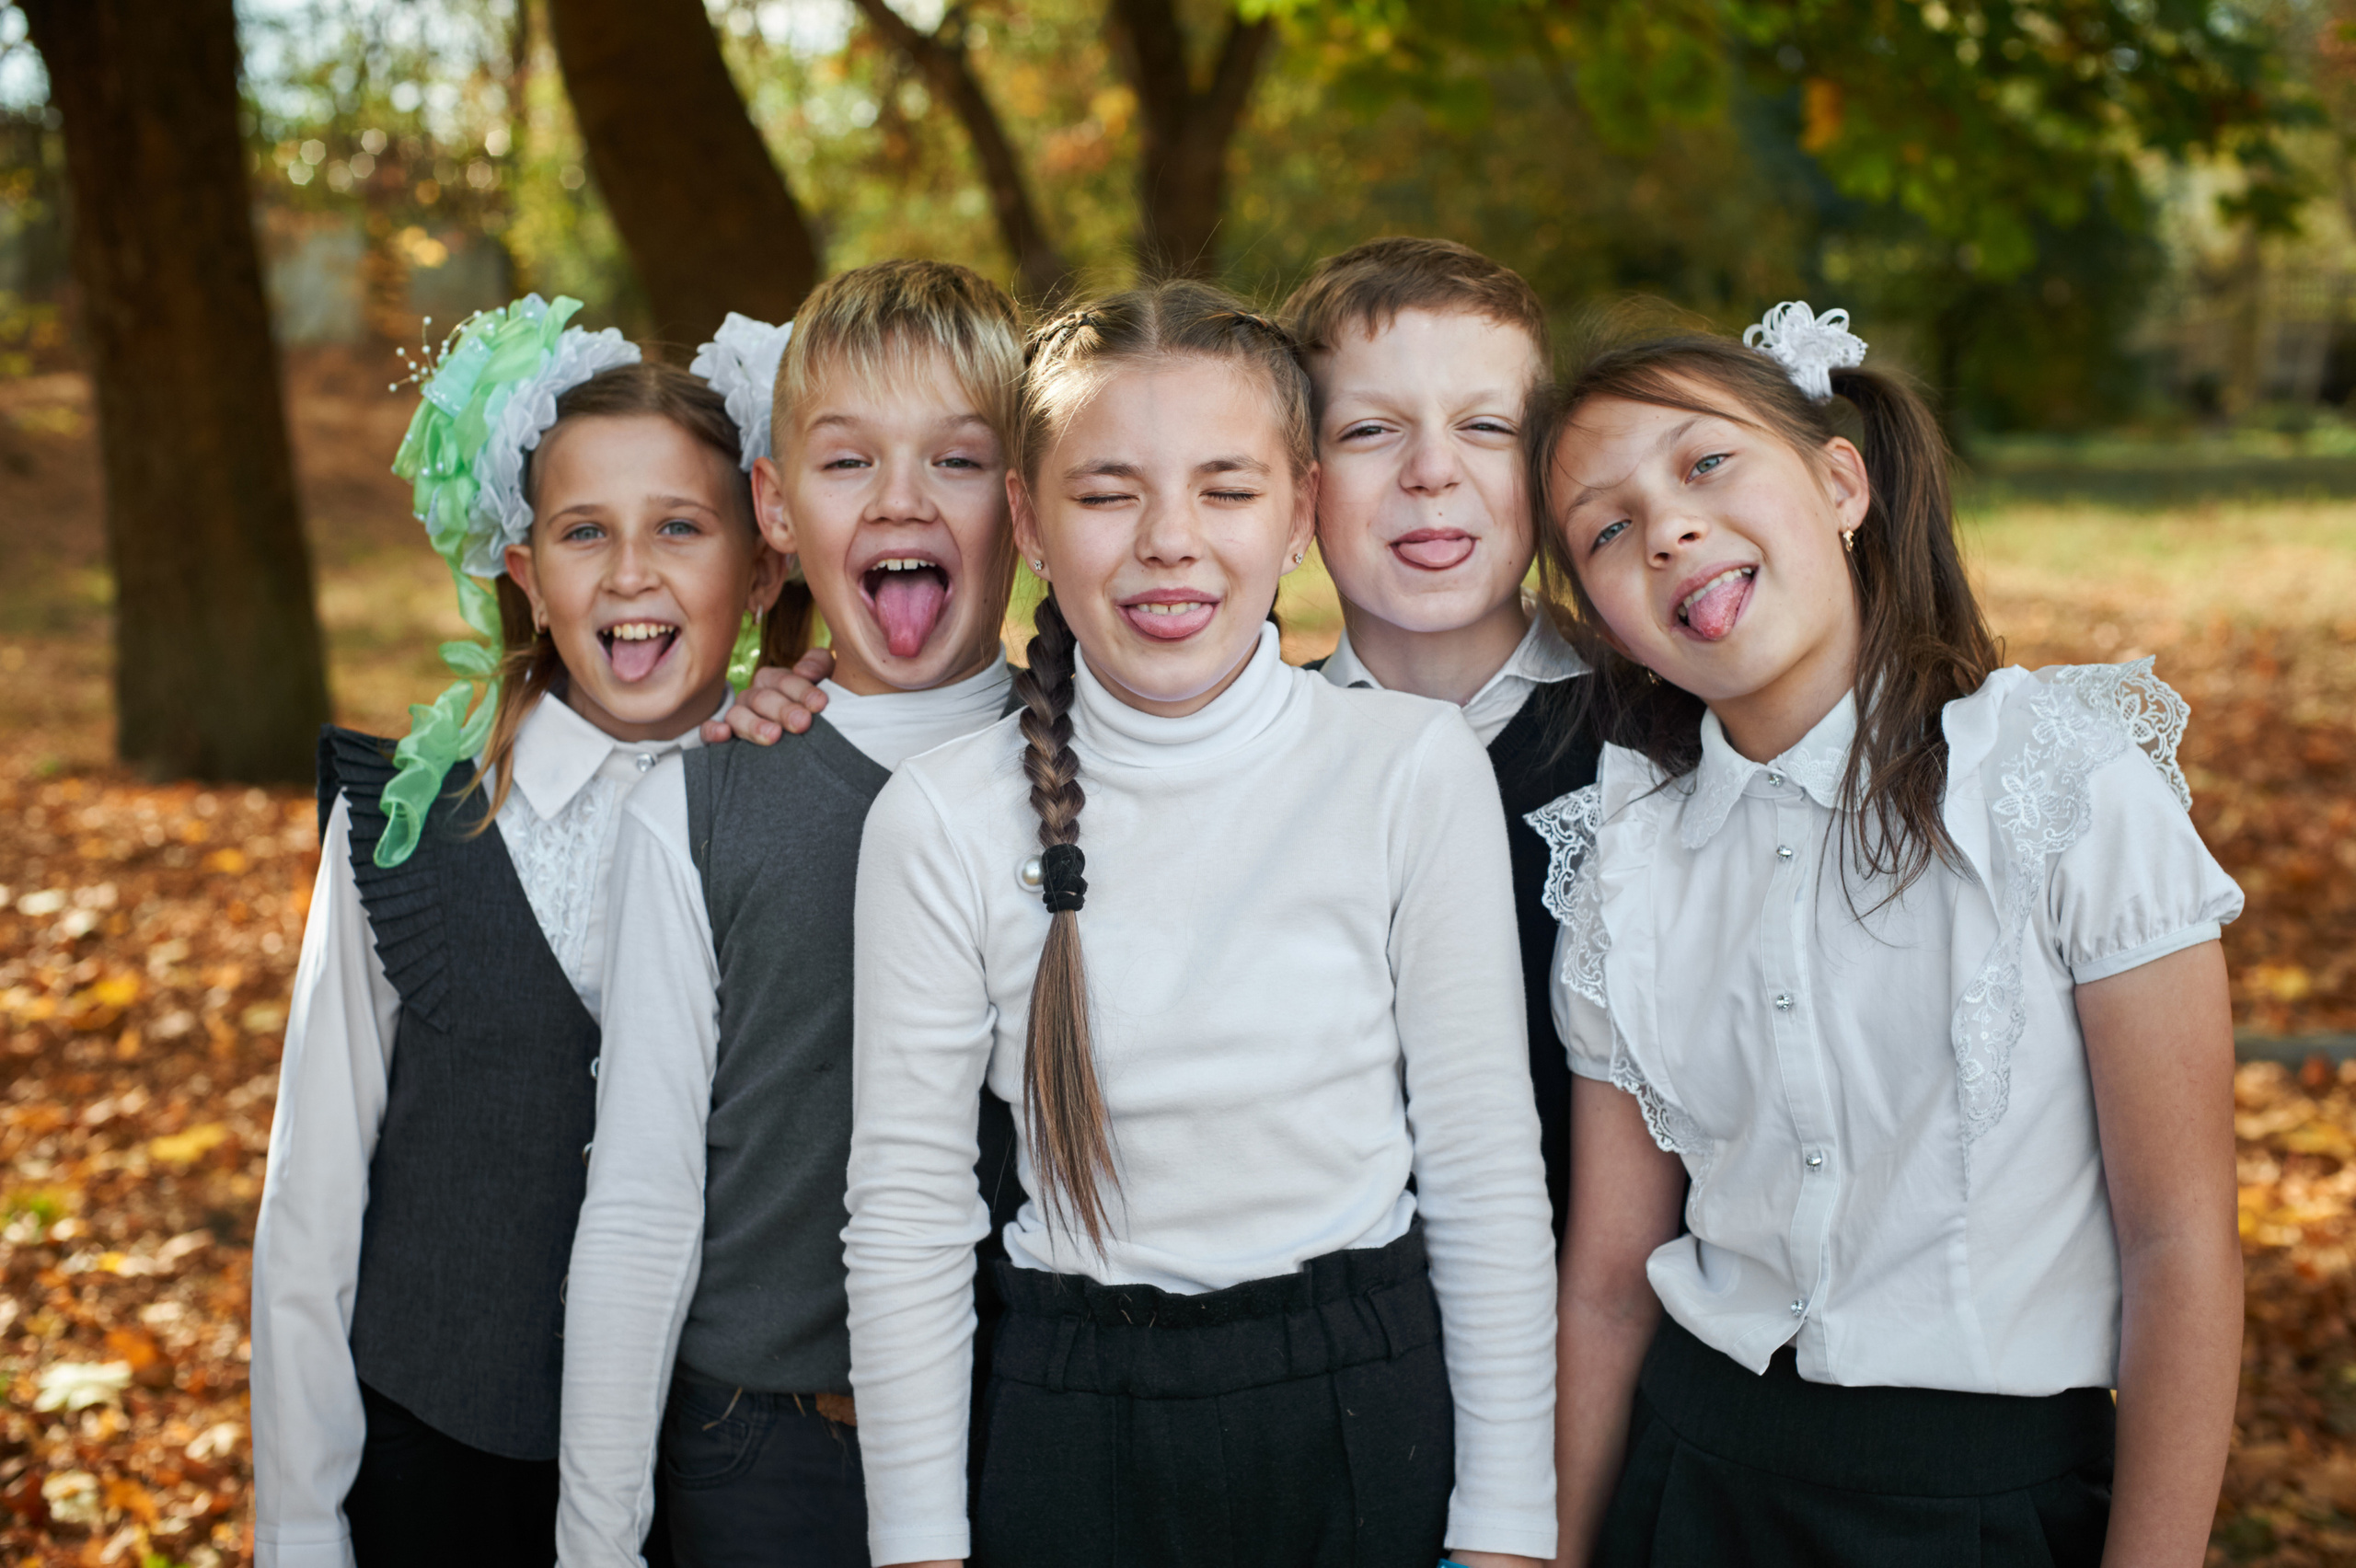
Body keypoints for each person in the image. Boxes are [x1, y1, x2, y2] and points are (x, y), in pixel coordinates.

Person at [841, 280, 1558, 1568]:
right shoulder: (940, 821)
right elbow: (905, 1211)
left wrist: (1506, 1525)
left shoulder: (1409, 769)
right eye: (1109, 493)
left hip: (1365, 1407)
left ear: (1298, 513)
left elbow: (1483, 1165)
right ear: (1030, 523)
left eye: (1226, 491)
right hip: (1069, 1420)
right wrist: (918, 1547)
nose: (1170, 540)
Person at [1530, 304, 2245, 1567]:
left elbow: (2179, 1243)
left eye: (1705, 463)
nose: (1669, 528)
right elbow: (1603, 1281)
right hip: (1686, 1495)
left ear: (1840, 481)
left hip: (1986, 1508)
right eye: (1606, 527)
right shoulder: (1627, 864)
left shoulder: (2060, 785)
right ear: (1597, 606)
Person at [251, 295, 789, 1568]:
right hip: (436, 1471)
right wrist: (300, 1532)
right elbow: (307, 1215)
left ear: (763, 562)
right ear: (522, 567)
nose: (631, 573)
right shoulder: (407, 830)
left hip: (719, 1477)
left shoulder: (812, 818)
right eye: (583, 532)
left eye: (680, 527)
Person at [555, 259, 1027, 1568]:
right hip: (767, 1452)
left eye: (960, 460)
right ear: (774, 504)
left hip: (1036, 1425)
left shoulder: (1102, 765)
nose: (901, 499)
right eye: (847, 464)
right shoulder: (702, 804)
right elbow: (642, 1199)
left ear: (1032, 500)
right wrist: (596, 1545)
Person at [1279, 236, 1598, 1244]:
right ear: (1300, 484)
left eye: (1486, 426)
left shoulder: (1663, 733)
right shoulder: (1247, 754)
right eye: (1371, 429)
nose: (1430, 471)